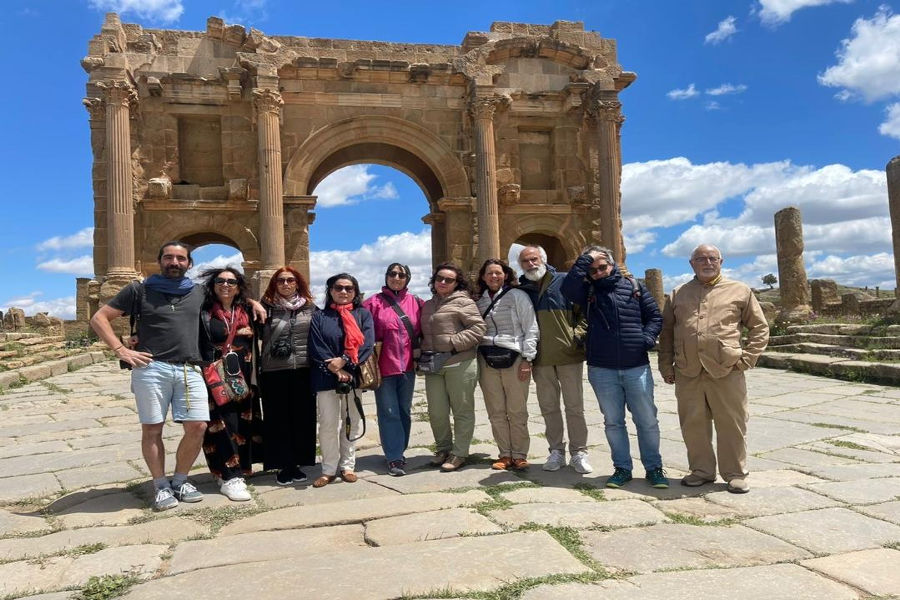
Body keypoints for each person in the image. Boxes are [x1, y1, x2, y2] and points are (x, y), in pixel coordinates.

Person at [90, 241, 265, 511]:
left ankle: (181, 480)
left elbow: (228, 294)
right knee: (152, 429)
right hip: (152, 368)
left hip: (189, 367)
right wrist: (121, 349)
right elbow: (100, 318)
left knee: (198, 426)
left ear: (189, 264)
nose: (174, 263)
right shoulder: (139, 289)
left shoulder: (197, 292)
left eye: (180, 258)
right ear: (159, 260)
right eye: (169, 258)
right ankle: (160, 485)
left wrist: (251, 300)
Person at [658, 244, 770, 494]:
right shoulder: (678, 293)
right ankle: (701, 471)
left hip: (727, 369)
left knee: (732, 423)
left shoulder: (740, 290)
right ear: (691, 264)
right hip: (688, 370)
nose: (707, 262)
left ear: (721, 261)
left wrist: (748, 358)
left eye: (712, 258)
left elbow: (760, 328)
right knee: (692, 424)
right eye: (700, 259)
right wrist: (666, 365)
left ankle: (735, 474)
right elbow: (666, 333)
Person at [562, 246, 668, 489]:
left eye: (602, 267)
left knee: (647, 420)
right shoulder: (586, 291)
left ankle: (654, 468)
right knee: (613, 422)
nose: (598, 272)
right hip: (602, 367)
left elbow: (655, 317)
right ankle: (622, 468)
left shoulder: (635, 287)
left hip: (636, 365)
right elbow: (568, 288)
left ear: (611, 265)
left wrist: (646, 339)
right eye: (593, 269)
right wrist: (585, 259)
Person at [517, 245, 592, 474]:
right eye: (526, 261)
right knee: (548, 407)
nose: (531, 264)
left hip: (569, 355)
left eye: (534, 259)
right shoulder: (522, 290)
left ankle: (579, 452)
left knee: (574, 407)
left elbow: (585, 313)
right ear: (520, 265)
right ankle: (556, 451)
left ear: (543, 259)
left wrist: (576, 336)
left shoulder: (565, 281)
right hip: (541, 358)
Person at [198, 267, 262, 502]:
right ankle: (229, 476)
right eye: (220, 281)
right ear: (212, 284)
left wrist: (254, 302)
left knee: (241, 424)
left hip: (242, 374)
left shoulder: (245, 309)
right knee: (220, 424)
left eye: (231, 281)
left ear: (239, 286)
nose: (226, 285)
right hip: (215, 374)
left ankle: (238, 470)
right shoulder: (203, 310)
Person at [309, 273, 375, 488]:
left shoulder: (362, 314)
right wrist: (336, 368)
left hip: (352, 375)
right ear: (330, 291)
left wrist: (345, 361)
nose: (344, 292)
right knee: (328, 423)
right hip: (326, 376)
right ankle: (328, 468)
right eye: (339, 287)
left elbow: (366, 344)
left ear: (355, 292)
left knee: (351, 421)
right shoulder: (320, 316)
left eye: (349, 288)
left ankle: (347, 466)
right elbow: (316, 344)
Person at [420, 262, 486, 472]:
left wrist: (453, 342)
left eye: (449, 279)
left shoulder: (463, 302)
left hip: (460, 362)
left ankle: (459, 453)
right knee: (436, 411)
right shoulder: (428, 304)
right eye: (439, 278)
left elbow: (478, 328)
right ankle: (443, 449)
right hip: (434, 365)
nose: (443, 282)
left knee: (462, 410)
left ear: (457, 283)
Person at [475, 259, 539, 471]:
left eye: (498, 273)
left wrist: (528, 358)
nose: (494, 277)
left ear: (506, 275)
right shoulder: (479, 301)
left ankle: (519, 454)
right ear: (483, 277)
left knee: (517, 409)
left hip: (515, 357)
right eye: (489, 273)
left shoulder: (518, 296)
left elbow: (530, 327)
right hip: (487, 358)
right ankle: (504, 454)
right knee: (495, 410)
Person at [258, 266, 318, 486]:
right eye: (280, 280)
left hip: (303, 368)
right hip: (274, 371)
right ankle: (283, 464)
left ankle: (299, 462)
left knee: (303, 418)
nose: (285, 284)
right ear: (274, 283)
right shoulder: (264, 308)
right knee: (277, 420)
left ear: (297, 283)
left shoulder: (311, 308)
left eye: (290, 280)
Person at [363, 263, 423, 477]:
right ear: (386, 276)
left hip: (408, 367)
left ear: (408, 278)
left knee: (404, 411)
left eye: (401, 274)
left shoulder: (416, 302)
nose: (396, 277)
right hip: (384, 367)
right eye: (392, 273)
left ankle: (400, 449)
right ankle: (394, 456)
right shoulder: (372, 303)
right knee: (389, 412)